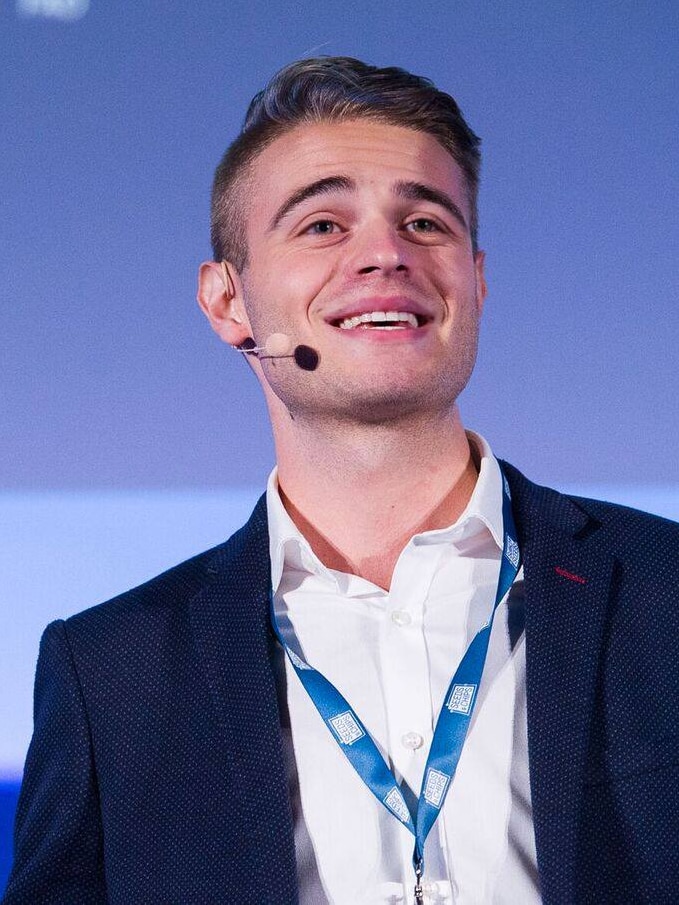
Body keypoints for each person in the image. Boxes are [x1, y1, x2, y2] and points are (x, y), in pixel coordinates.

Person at [3, 57, 679, 905]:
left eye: (425, 222)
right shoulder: (113, 672)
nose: (386, 254)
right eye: (322, 225)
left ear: (476, 281)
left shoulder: (664, 588)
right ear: (227, 303)